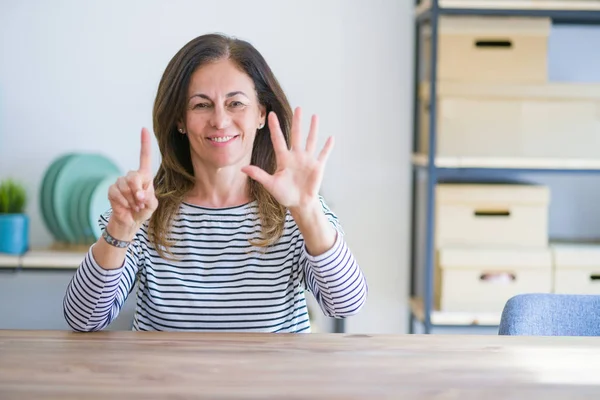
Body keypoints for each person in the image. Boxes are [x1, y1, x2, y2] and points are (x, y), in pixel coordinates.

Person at [63, 33, 368, 332]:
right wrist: (121, 229)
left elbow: (347, 305)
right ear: (180, 120)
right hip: (163, 382)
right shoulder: (143, 209)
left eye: (236, 103)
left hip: (273, 383)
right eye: (201, 105)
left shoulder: (299, 209)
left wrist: (307, 210)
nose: (220, 120)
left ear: (261, 113)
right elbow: (82, 318)